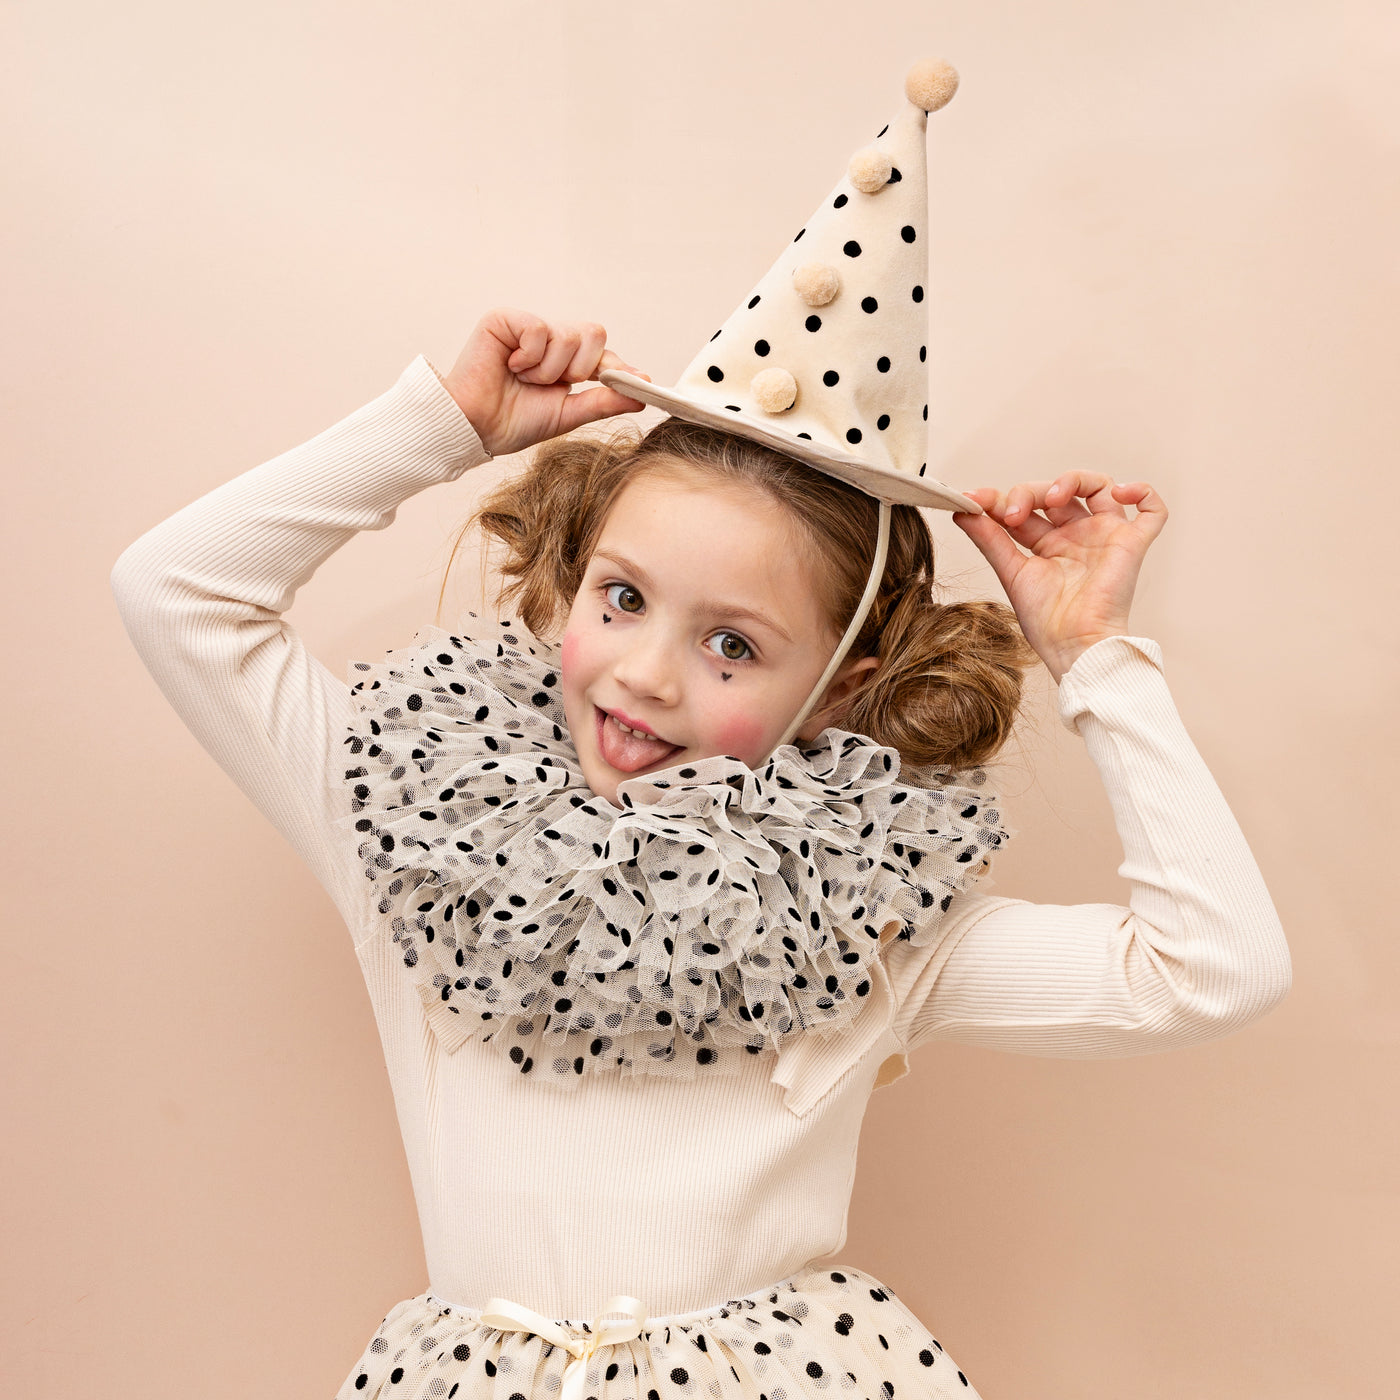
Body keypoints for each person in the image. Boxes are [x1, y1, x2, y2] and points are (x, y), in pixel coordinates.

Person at [110, 60, 1291, 1400]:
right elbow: (175, 592)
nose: (645, 675)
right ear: (575, 573)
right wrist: (441, 427)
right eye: (621, 599)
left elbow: (1214, 969)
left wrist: (1097, 658)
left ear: (835, 694)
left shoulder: (869, 924)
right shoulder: (416, 834)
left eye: (733, 643)